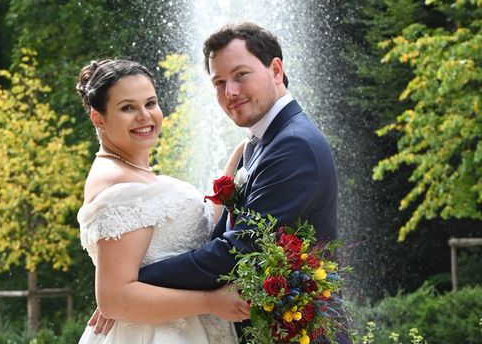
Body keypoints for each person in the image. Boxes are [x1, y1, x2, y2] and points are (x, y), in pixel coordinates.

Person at [133, 22, 340, 340]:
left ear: (275, 69)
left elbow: (240, 250)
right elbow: (224, 233)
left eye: (241, 75)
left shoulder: (294, 145)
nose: (230, 92)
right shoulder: (261, 141)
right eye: (219, 82)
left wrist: (136, 282)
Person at [75, 58, 247, 343]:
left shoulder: (134, 174)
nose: (144, 116)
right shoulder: (118, 185)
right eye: (128, 107)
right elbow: (115, 299)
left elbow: (200, 230)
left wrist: (248, 144)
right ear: (98, 118)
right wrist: (210, 302)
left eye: (150, 103)